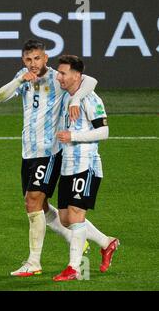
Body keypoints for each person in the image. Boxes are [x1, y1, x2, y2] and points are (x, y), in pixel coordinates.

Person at [0, 39, 105, 277]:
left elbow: (90, 81)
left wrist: (75, 99)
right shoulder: (23, 77)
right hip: (28, 151)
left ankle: (34, 262)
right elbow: (0, 97)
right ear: (23, 60)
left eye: (37, 58)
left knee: (32, 201)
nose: (33, 64)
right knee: (42, 207)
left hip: (50, 152)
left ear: (45, 58)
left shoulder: (58, 79)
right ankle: (102, 241)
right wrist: (19, 79)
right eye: (28, 59)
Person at [53, 55, 119, 281]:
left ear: (76, 76)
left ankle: (73, 268)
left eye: (63, 73)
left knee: (76, 215)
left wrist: (74, 135)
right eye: (59, 72)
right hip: (68, 164)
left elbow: (104, 132)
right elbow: (88, 79)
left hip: (86, 163)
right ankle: (106, 242)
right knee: (65, 219)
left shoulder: (90, 99)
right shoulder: (67, 96)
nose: (59, 77)